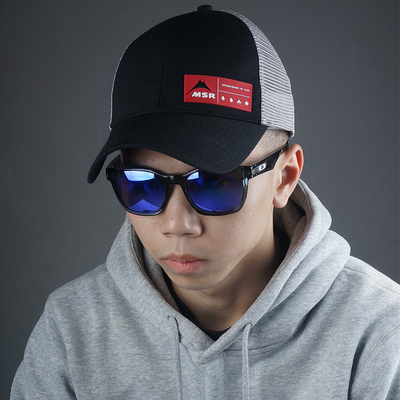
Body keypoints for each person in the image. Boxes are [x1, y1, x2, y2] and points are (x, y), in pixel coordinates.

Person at [11, 5, 400, 399]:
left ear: (284, 177)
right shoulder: (71, 333)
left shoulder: (380, 336)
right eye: (142, 184)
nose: (175, 224)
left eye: (214, 183)